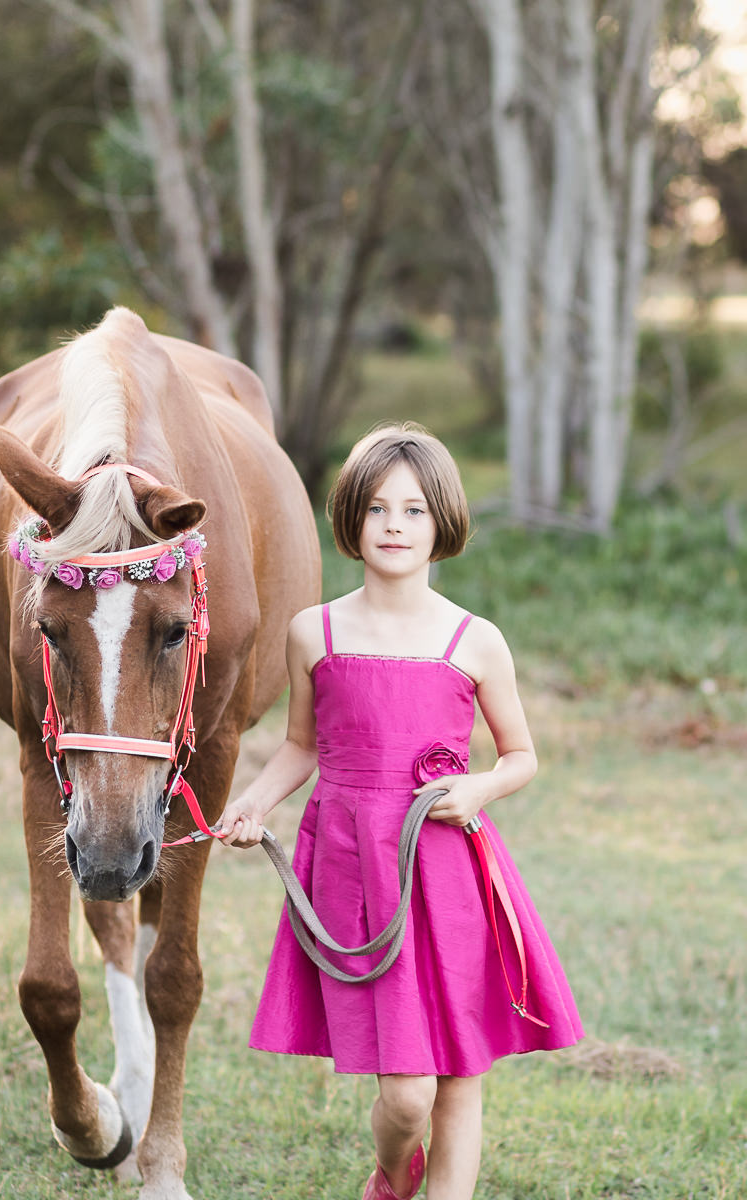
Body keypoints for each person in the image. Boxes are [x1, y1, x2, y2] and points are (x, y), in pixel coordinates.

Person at [218, 424, 583, 1200]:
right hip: (354, 869)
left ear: (441, 523)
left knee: (458, 1072)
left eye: (414, 511)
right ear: (351, 518)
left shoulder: (473, 640)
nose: (394, 525)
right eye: (378, 508)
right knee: (407, 1093)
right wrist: (250, 803)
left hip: (448, 870)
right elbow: (301, 746)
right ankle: (392, 1173)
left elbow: (521, 755)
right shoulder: (313, 631)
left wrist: (477, 790)